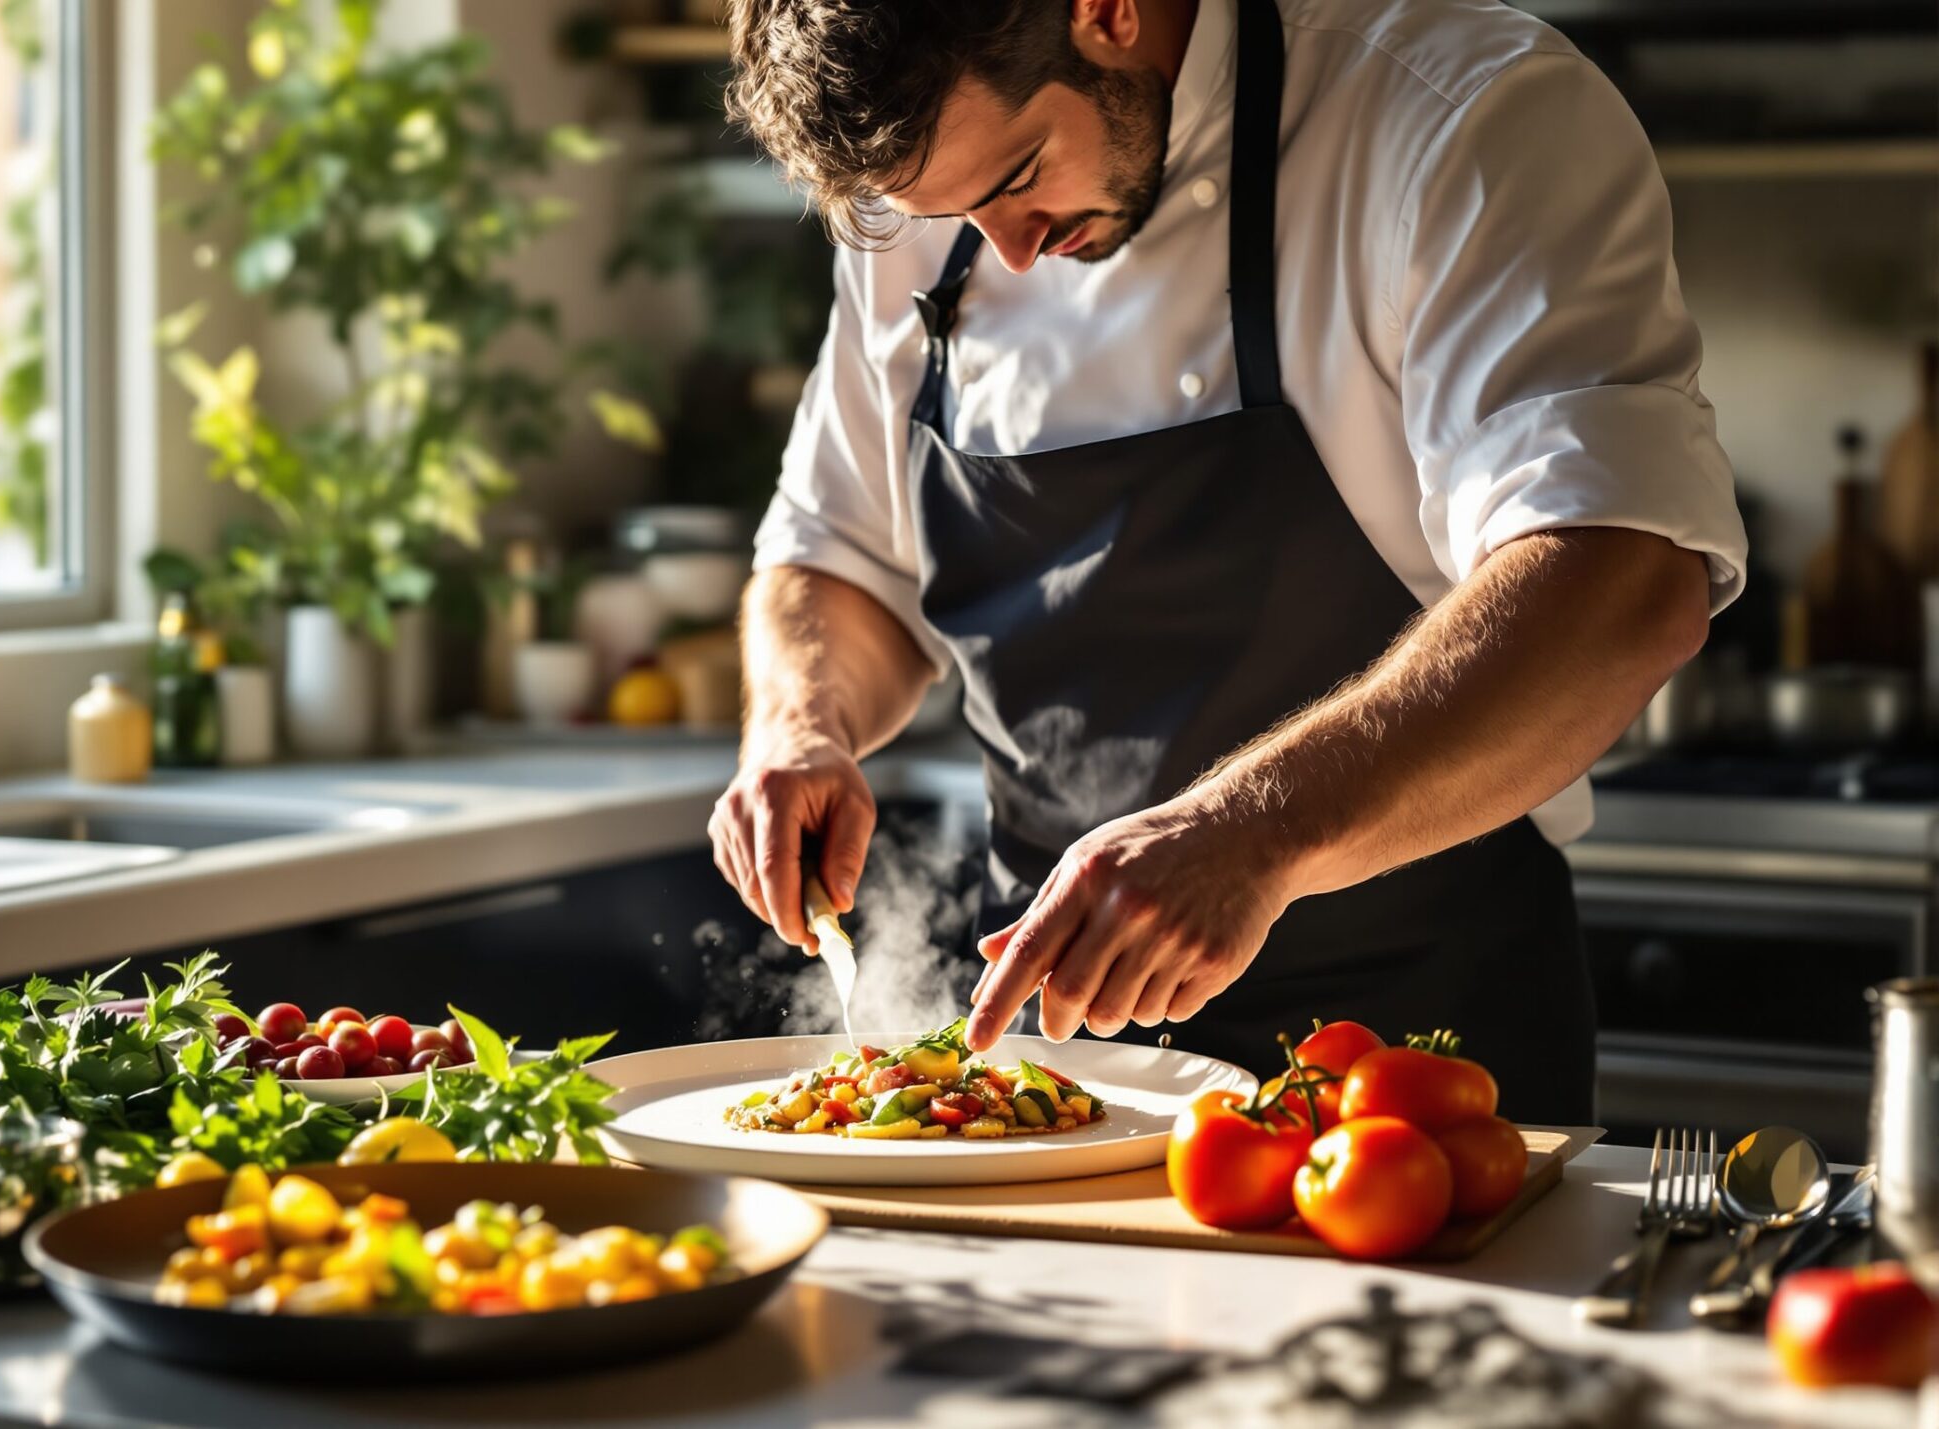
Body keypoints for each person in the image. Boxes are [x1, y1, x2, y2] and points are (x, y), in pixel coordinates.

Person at [705, 0, 1747, 1124]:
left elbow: (1619, 580)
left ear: (1108, 13)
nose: (1007, 252)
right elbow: (842, 555)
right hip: (1057, 1069)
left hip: (1402, 1056)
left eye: (1017, 177)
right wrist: (799, 724)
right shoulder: (927, 178)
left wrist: (1248, 835)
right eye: (951, 212)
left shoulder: (1461, 114)